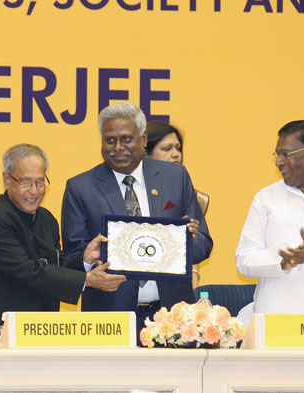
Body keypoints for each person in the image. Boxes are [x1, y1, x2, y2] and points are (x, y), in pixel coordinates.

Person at [61, 102, 213, 337]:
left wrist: (184, 243)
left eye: (126, 139)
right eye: (109, 140)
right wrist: (87, 259)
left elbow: (203, 244)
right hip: (109, 320)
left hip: (173, 317)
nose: (118, 147)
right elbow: (71, 258)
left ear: (143, 139)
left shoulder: (176, 177)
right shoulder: (81, 188)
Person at [0, 144, 126, 342]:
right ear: (7, 179)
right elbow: (29, 271)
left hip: (42, 331)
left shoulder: (46, 218)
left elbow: (54, 267)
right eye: (25, 182)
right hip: (0, 335)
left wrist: (84, 260)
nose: (34, 191)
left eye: (40, 182)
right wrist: (87, 281)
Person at [236, 120, 304, 315]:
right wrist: (280, 262)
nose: (278, 162)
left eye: (286, 154)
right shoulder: (266, 197)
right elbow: (244, 260)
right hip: (276, 317)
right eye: (277, 154)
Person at [145, 120, 209, 287]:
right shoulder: (128, 190)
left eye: (178, 148)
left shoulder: (184, 189)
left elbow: (202, 245)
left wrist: (187, 238)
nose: (176, 154)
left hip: (171, 289)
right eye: (167, 149)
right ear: (145, 154)